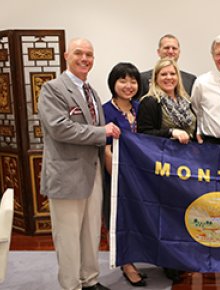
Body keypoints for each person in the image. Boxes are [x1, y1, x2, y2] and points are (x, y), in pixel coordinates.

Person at [38, 38, 120, 290]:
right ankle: (71, 285)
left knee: (91, 231)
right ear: (66, 56)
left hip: (92, 172)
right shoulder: (52, 89)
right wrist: (102, 132)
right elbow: (60, 128)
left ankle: (90, 279)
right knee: (68, 237)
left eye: (89, 54)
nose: (85, 59)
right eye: (79, 53)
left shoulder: (91, 92)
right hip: (66, 174)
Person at [137, 58, 196, 283]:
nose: (168, 78)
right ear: (155, 78)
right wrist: (171, 132)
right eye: (163, 75)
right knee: (167, 216)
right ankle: (168, 263)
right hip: (163, 167)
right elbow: (144, 135)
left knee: (183, 214)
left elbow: (191, 126)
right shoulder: (151, 102)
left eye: (172, 74)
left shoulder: (185, 100)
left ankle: (181, 259)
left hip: (186, 167)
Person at [102, 62, 146, 287]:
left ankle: (138, 257)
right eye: (123, 80)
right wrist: (119, 176)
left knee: (136, 217)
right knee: (117, 219)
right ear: (113, 83)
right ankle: (126, 264)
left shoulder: (140, 108)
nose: (128, 86)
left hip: (141, 177)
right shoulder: (105, 111)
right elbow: (105, 148)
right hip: (116, 177)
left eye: (133, 81)